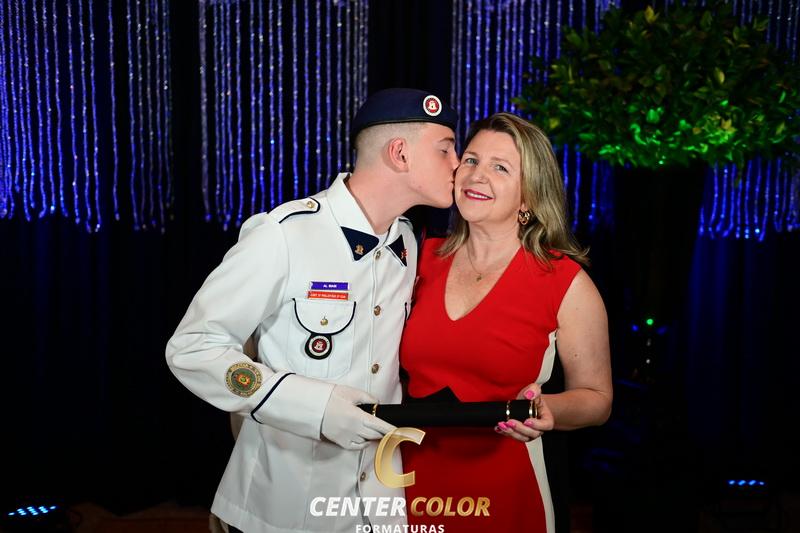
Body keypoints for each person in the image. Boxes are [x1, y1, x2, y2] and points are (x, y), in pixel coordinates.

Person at [166, 88, 459, 533]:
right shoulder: (285, 235)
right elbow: (193, 347)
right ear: (400, 153)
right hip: (282, 507)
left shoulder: (406, 242)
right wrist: (314, 407)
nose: (457, 163)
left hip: (377, 504)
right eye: (445, 149)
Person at [400, 112, 612, 532]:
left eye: (500, 168)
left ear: (528, 197)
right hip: (406, 480)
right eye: (471, 160)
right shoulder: (417, 259)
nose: (477, 175)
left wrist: (548, 409)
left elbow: (597, 399)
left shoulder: (564, 282)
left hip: (506, 491)